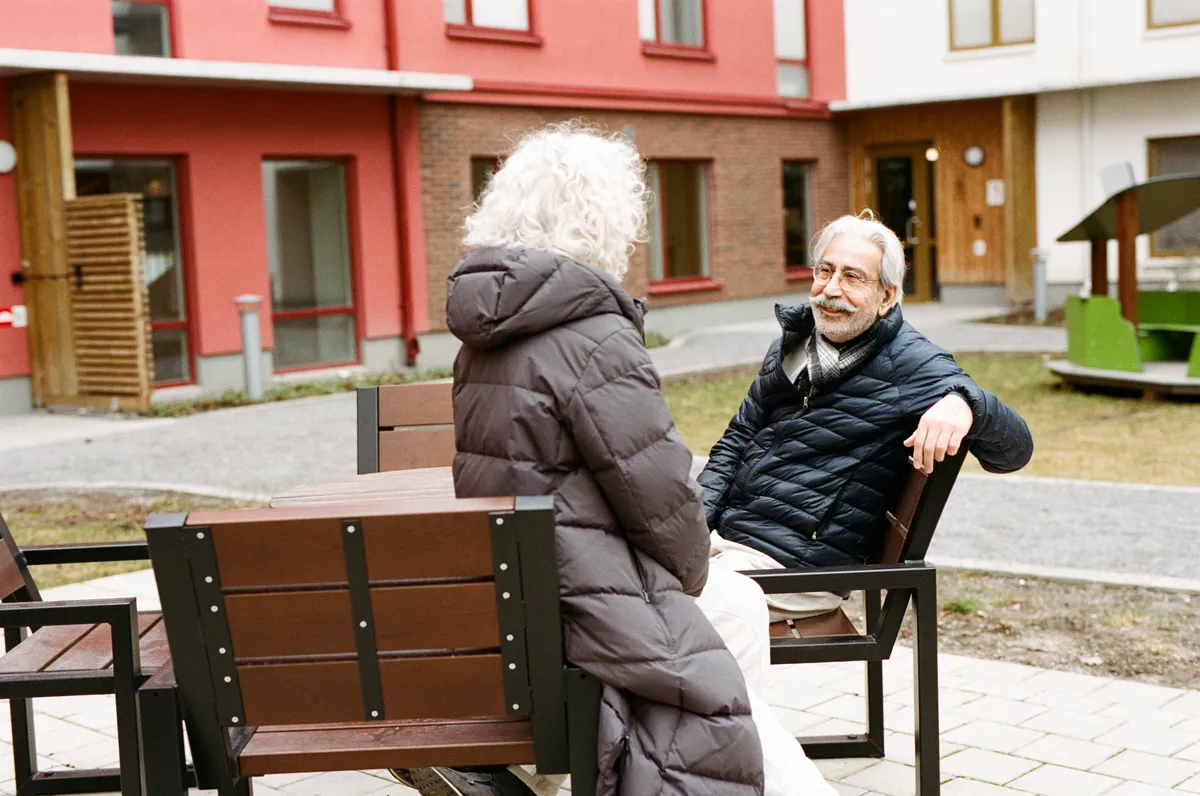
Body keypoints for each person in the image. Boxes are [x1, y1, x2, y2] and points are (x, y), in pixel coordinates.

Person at [393, 122, 835, 796]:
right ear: (606, 223)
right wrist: (690, 562)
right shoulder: (595, 336)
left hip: (513, 593)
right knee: (719, 634)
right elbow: (663, 507)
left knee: (733, 613)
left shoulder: (480, 334)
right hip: (583, 601)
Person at [698, 212, 1034, 625]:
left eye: (853, 277)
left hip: (795, 569)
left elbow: (1015, 451)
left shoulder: (912, 364)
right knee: (617, 585)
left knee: (662, 616)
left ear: (887, 297)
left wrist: (967, 402)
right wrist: (694, 525)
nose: (831, 289)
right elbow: (737, 438)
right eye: (825, 271)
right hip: (728, 543)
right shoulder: (793, 345)